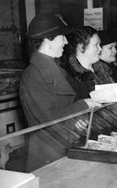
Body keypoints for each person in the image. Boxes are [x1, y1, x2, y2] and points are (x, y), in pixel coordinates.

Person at [19, 14, 101, 171]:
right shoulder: (32, 76)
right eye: (61, 36)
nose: (65, 41)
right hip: (48, 158)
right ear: (48, 40)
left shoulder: (55, 69)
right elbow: (49, 121)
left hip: (65, 150)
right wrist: (84, 104)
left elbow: (64, 113)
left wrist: (79, 122)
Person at [94, 30, 117, 94]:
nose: (115, 51)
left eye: (115, 47)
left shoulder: (116, 69)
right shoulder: (95, 71)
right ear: (98, 49)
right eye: (110, 48)